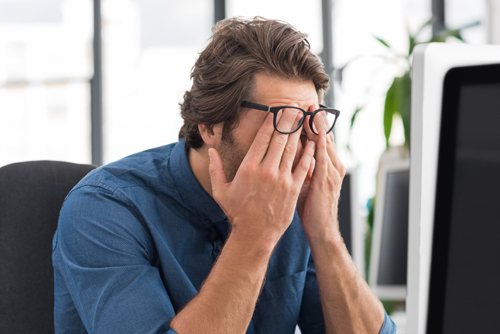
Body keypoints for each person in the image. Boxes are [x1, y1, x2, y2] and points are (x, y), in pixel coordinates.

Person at [52, 17, 396, 334]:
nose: (300, 142)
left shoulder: (295, 205)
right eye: (282, 119)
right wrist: (254, 234)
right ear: (210, 125)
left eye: (310, 120)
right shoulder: (103, 209)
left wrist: (324, 233)